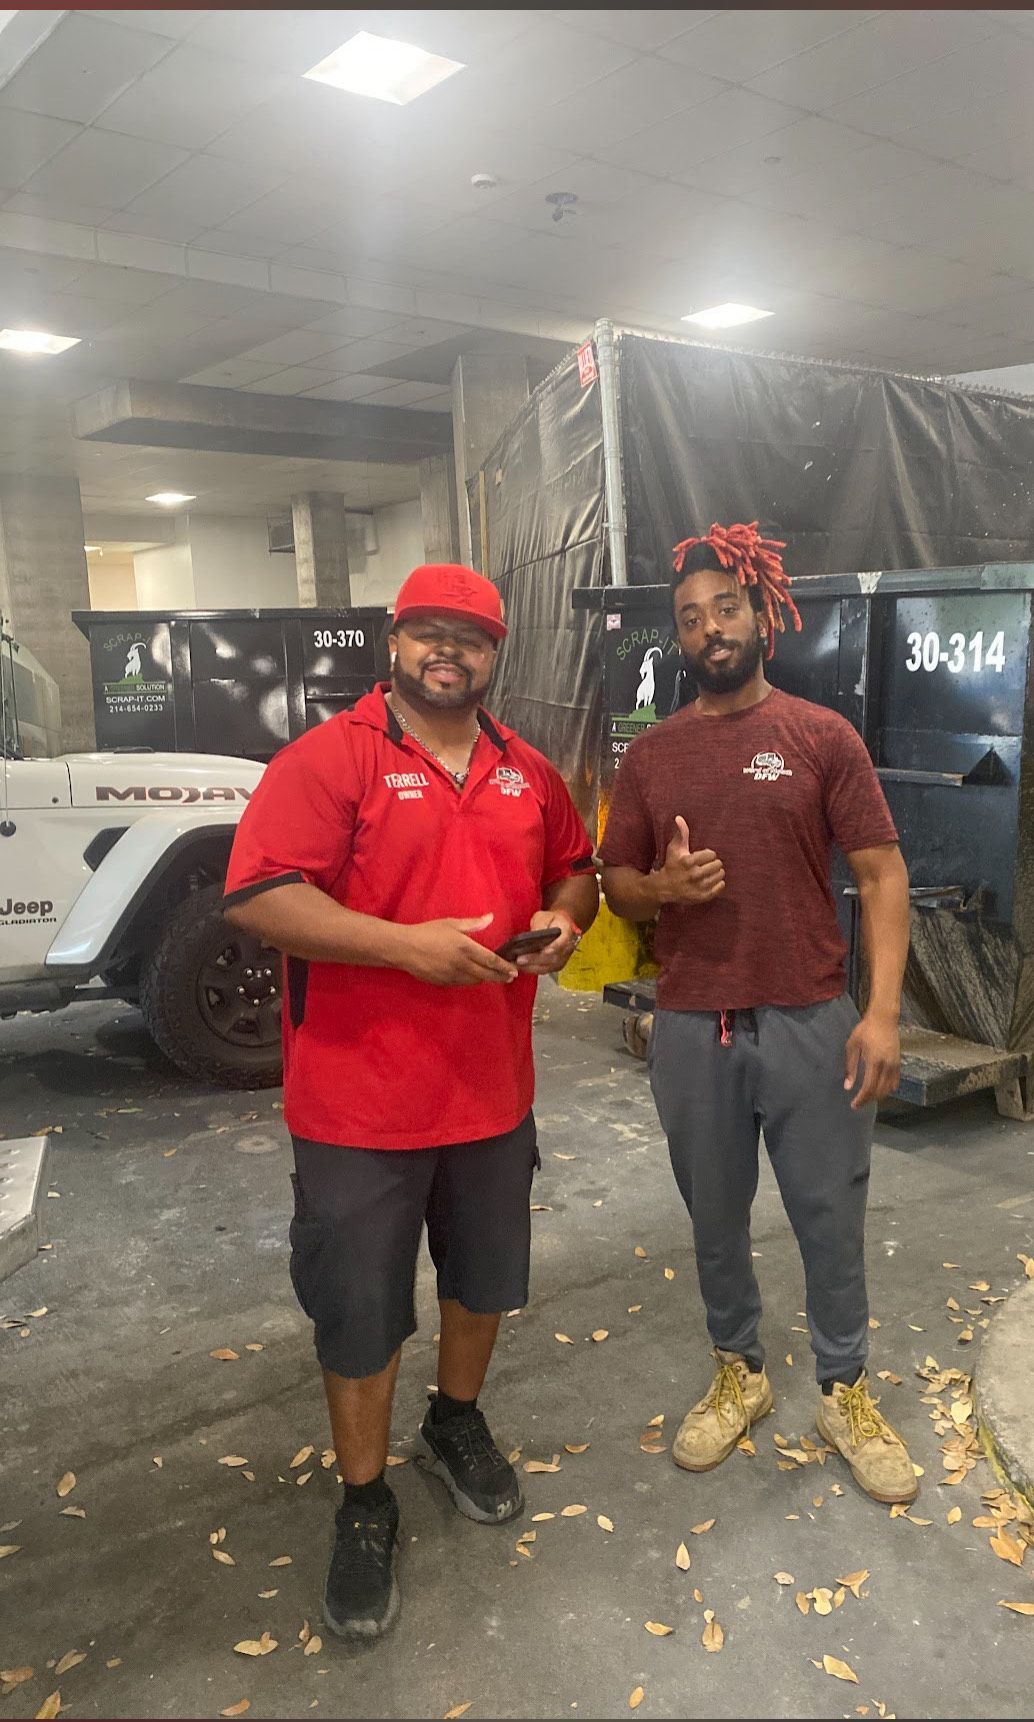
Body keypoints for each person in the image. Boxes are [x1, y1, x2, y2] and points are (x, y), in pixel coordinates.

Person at [223, 563, 598, 1641]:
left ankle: (455, 1422)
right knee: (360, 1310)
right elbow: (258, 896)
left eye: (470, 637)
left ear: (495, 654)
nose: (449, 651)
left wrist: (565, 922)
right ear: (392, 641)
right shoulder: (331, 758)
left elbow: (576, 868)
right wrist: (402, 949)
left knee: (482, 1281)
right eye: (429, 631)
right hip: (359, 1104)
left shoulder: (527, 770)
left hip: (491, 1093)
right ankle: (364, 1500)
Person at [599, 522, 917, 1504]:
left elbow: (882, 873)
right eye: (691, 618)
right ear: (680, 637)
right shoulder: (653, 755)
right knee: (715, 1216)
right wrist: (663, 887)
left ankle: (844, 1389)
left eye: (725, 608)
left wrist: (883, 1016)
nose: (710, 629)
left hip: (811, 1017)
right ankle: (739, 1371)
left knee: (830, 1213)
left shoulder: (822, 738)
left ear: (763, 616)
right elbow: (615, 884)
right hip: (694, 1024)